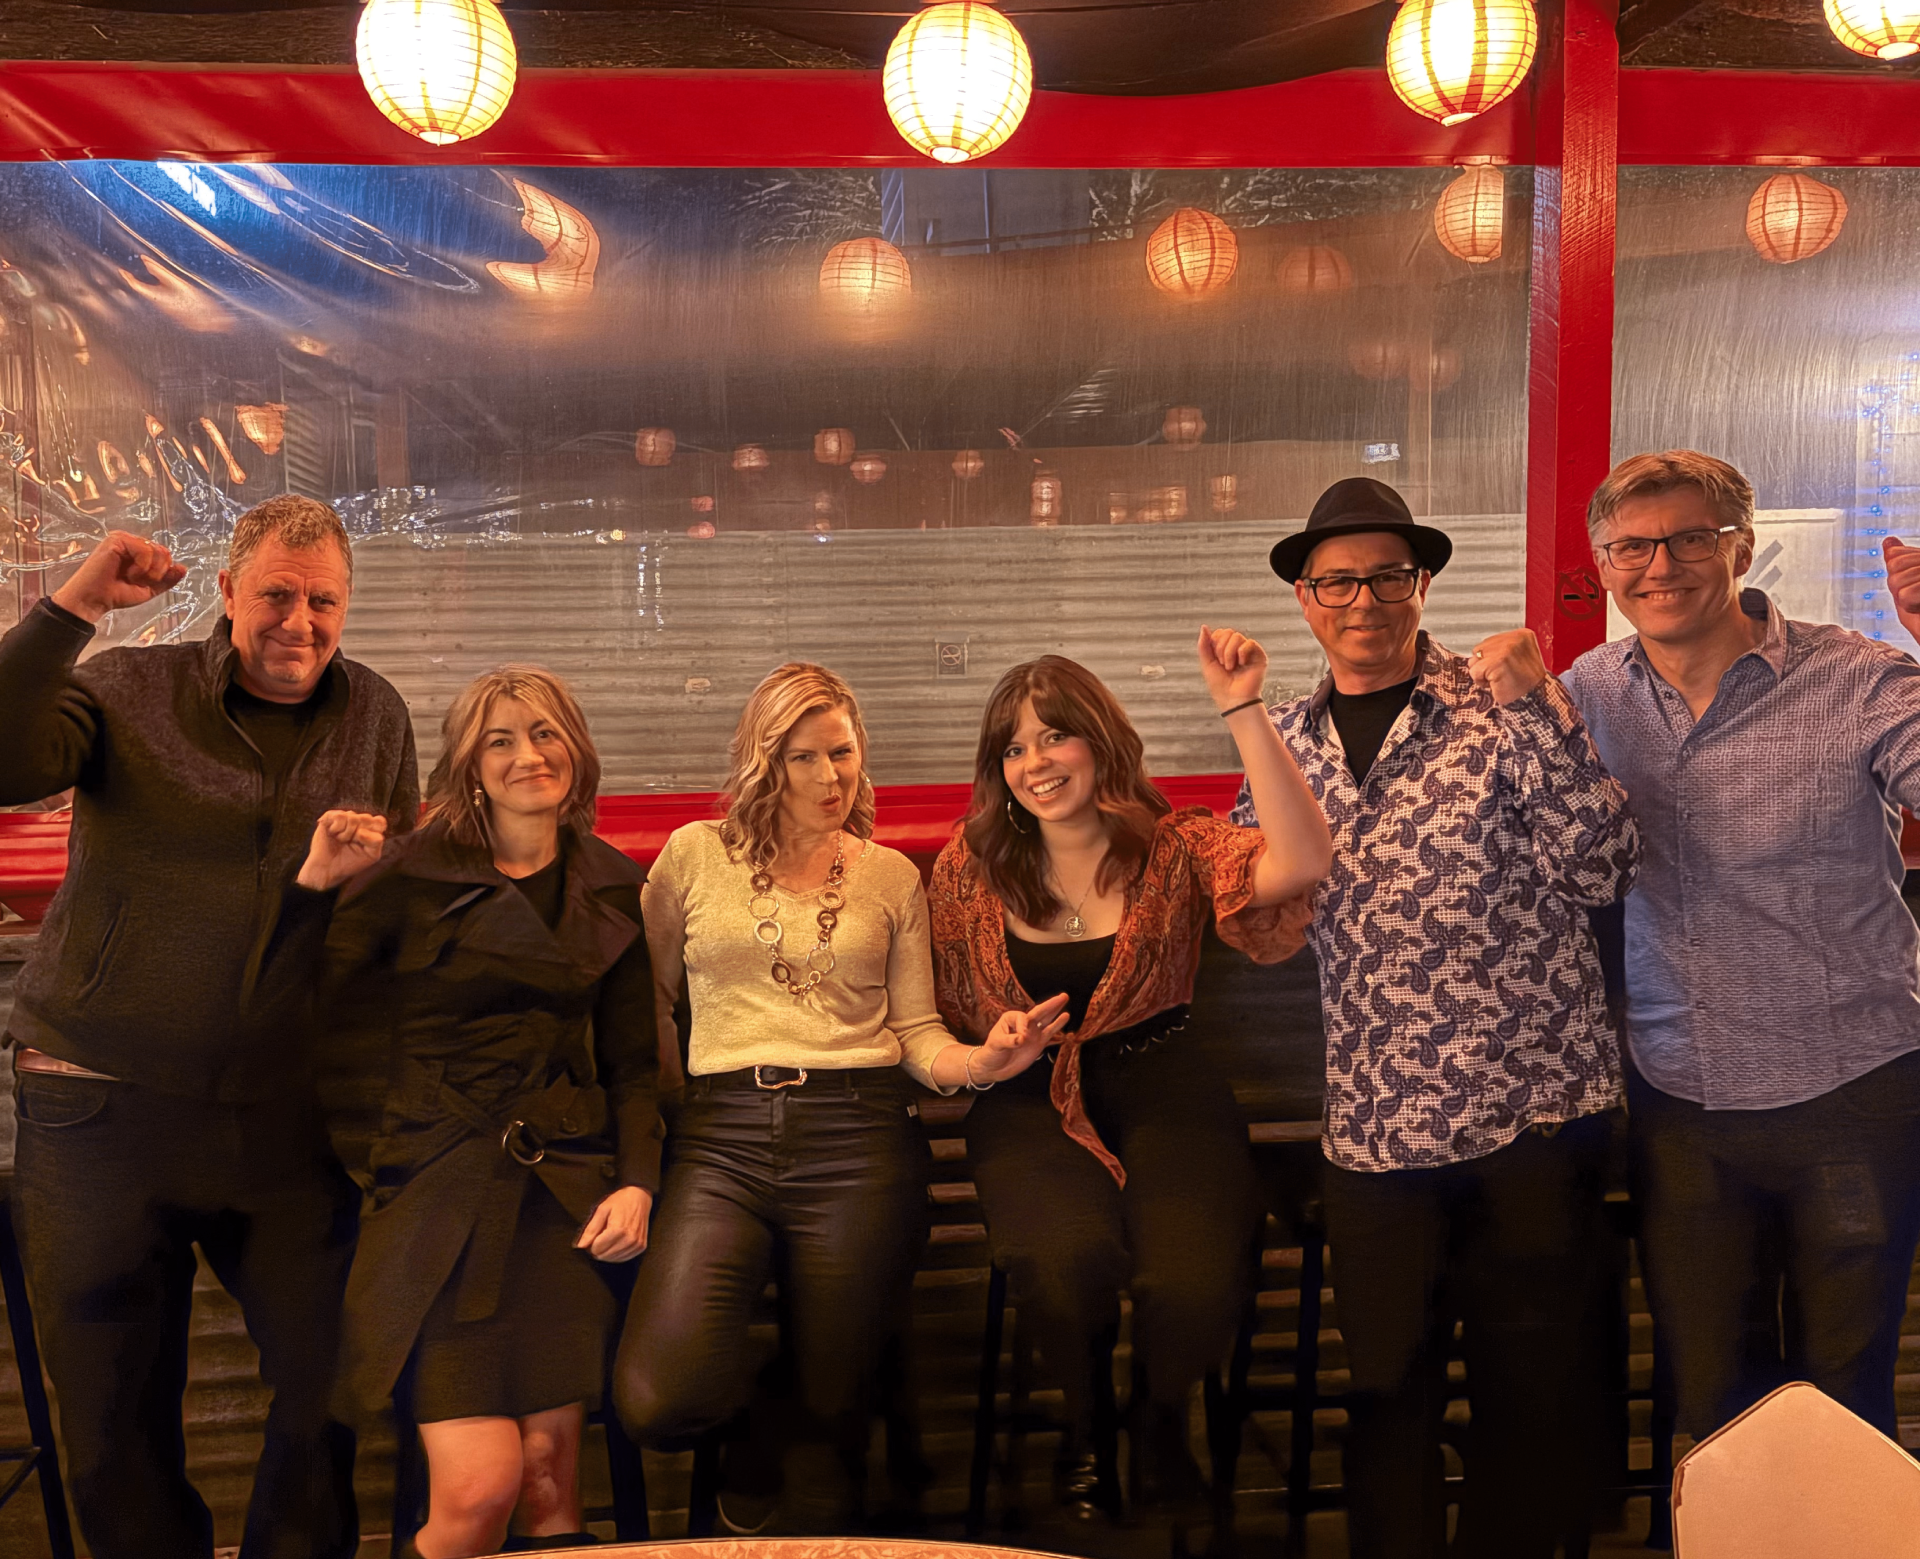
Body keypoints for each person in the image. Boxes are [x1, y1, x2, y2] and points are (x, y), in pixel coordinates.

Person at [0, 501, 418, 1559]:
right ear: (227, 591)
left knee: (333, 1372)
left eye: (324, 599)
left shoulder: (376, 712)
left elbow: (384, 912)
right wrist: (73, 603)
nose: (300, 619)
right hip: (99, 1106)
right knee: (111, 1421)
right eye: (276, 592)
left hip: (277, 1118)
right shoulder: (124, 685)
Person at [1234, 477, 1638, 1559]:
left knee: (1530, 1385)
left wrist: (1541, 708)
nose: (1363, 598)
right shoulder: (1279, 739)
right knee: (1383, 1385)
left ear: (1422, 584)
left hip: (1534, 1110)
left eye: (1387, 575)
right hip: (1376, 1123)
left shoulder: (1503, 702)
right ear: (1306, 599)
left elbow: (1602, 866)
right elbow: (1256, 895)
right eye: (1338, 580)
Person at [614, 661, 1069, 1532]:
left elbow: (916, 1032)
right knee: (656, 1397)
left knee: (832, 1431)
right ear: (762, 762)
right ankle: (756, 1430)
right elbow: (650, 1004)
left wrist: (986, 1059)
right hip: (722, 1137)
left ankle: (806, 1459)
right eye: (804, 758)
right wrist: (675, 1110)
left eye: (844, 754)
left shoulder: (890, 874)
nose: (832, 777)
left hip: (858, 1133)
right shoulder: (693, 855)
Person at [1562, 450, 1920, 1442]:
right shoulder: (1589, 689)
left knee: (1849, 1397)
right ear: (1603, 562)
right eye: (1631, 545)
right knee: (1711, 1401)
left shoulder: (1857, 677)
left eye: (1690, 538)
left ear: (1743, 547)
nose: (1660, 565)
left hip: (1852, 1089)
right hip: (1685, 1101)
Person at [927, 644, 1330, 1517]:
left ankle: (1157, 1420)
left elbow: (1300, 863)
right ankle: (1086, 1429)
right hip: (1027, 1093)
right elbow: (939, 1013)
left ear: (1100, 741)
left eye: (1056, 737)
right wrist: (991, 1047)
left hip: (1164, 1078)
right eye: (1015, 746)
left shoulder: (1176, 844)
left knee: (1191, 1278)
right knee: (1060, 1258)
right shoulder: (971, 862)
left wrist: (1242, 709)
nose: (1036, 763)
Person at [283, 666, 660, 1557]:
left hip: (563, 1200)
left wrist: (639, 1181)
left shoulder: (611, 882)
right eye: (501, 739)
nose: (528, 755)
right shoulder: (405, 873)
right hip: (436, 1201)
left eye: (544, 733)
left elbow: (637, 1065)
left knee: (545, 1483)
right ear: (469, 765)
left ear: (575, 747)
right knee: (480, 1485)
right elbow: (309, 1020)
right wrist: (311, 889)